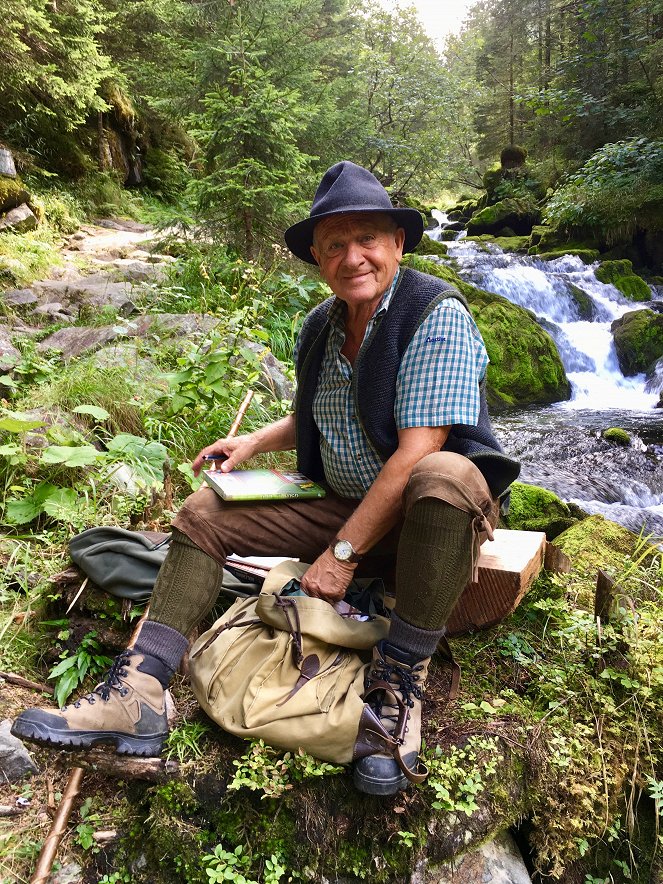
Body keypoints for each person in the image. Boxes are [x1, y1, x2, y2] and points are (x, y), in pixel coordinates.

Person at [13, 162, 519, 796]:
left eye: (367, 238)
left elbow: (417, 451)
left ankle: (397, 691)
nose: (352, 257)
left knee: (443, 473)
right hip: (344, 500)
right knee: (202, 512)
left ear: (398, 242)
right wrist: (256, 441)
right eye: (335, 244)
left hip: (426, 518)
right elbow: (321, 408)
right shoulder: (322, 326)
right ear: (315, 256)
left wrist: (340, 555)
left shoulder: (432, 315)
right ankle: (140, 692)